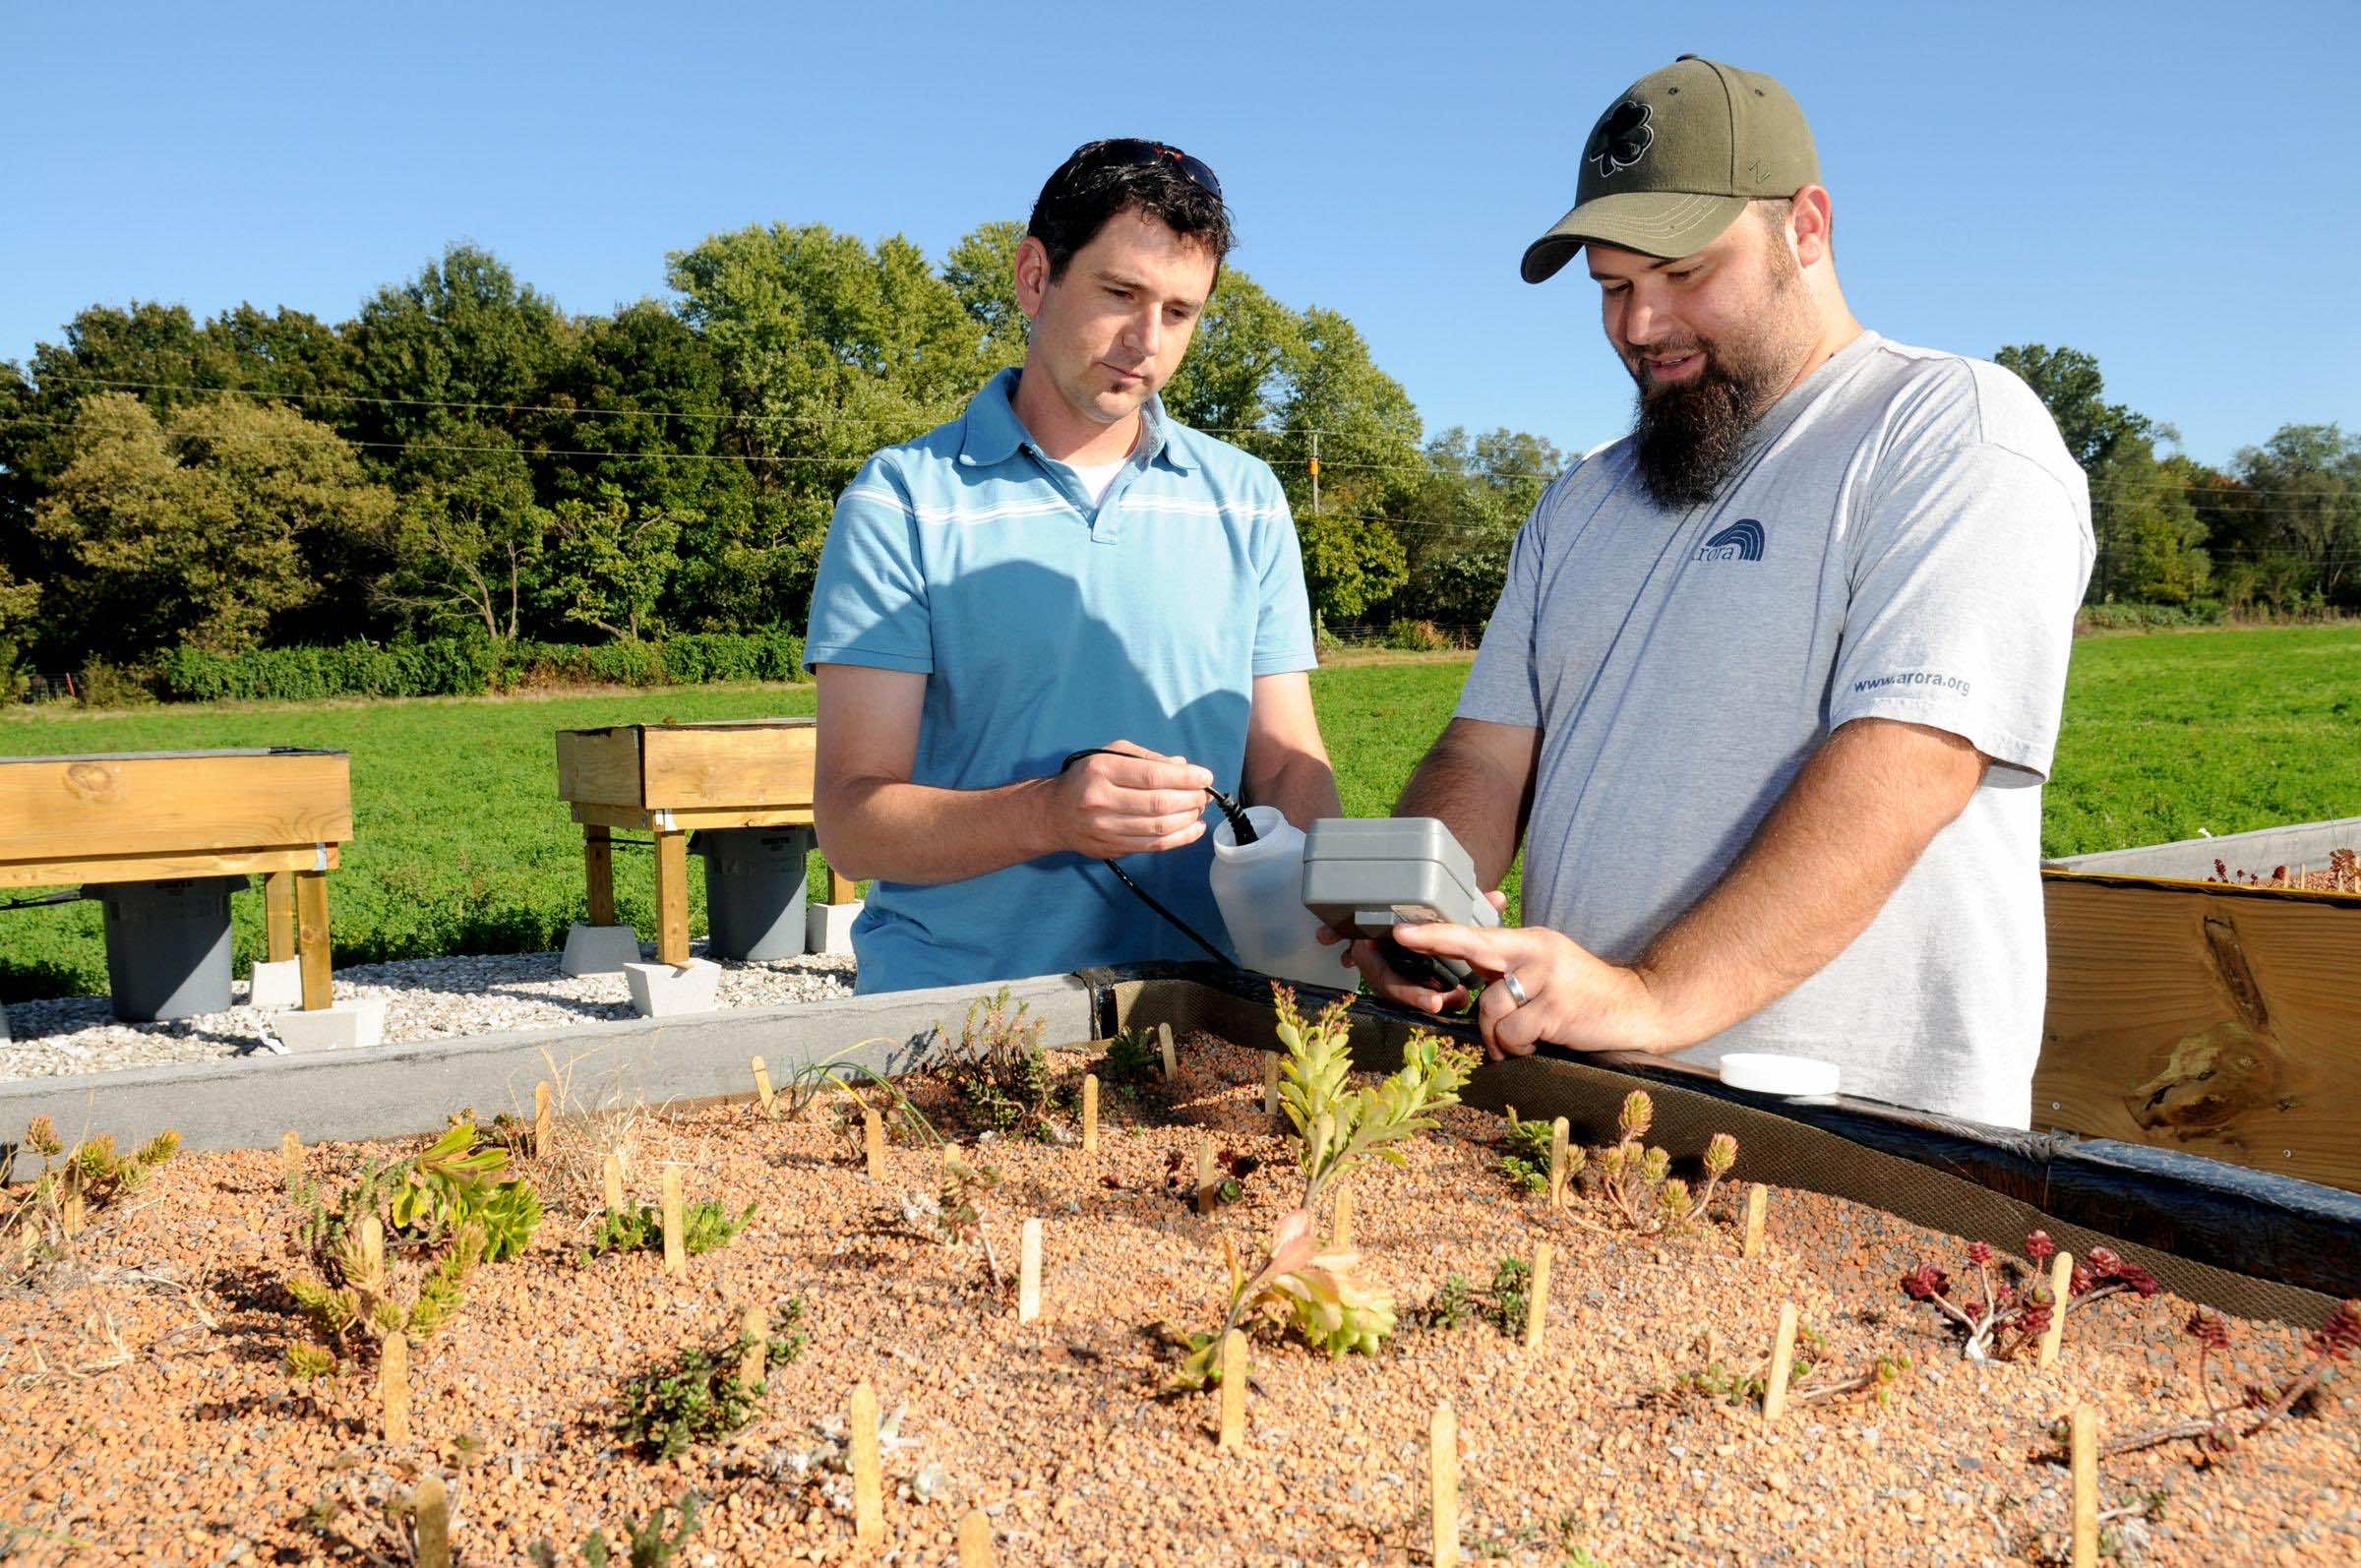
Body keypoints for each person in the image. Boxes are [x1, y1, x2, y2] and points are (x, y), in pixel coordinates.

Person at [1341, 57, 2092, 1128]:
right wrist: (1413, 902)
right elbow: (1486, 751)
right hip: (1579, 1102)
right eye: (1612, 286)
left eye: (1685, 272)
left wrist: (1652, 996)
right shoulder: (1583, 499)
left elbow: (1911, 760)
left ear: (1808, 229)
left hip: (1859, 1139)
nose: (1642, 324)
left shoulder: (1948, 432)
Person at [806, 139, 1341, 995]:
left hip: (1206, 1010)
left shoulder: (1247, 497)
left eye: (1180, 311)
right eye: (1120, 293)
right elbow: (852, 824)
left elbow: (1286, 765)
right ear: (1033, 276)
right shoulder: (902, 500)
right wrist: (1048, 814)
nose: (1146, 341)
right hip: (952, 1010)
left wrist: (1349, 911)